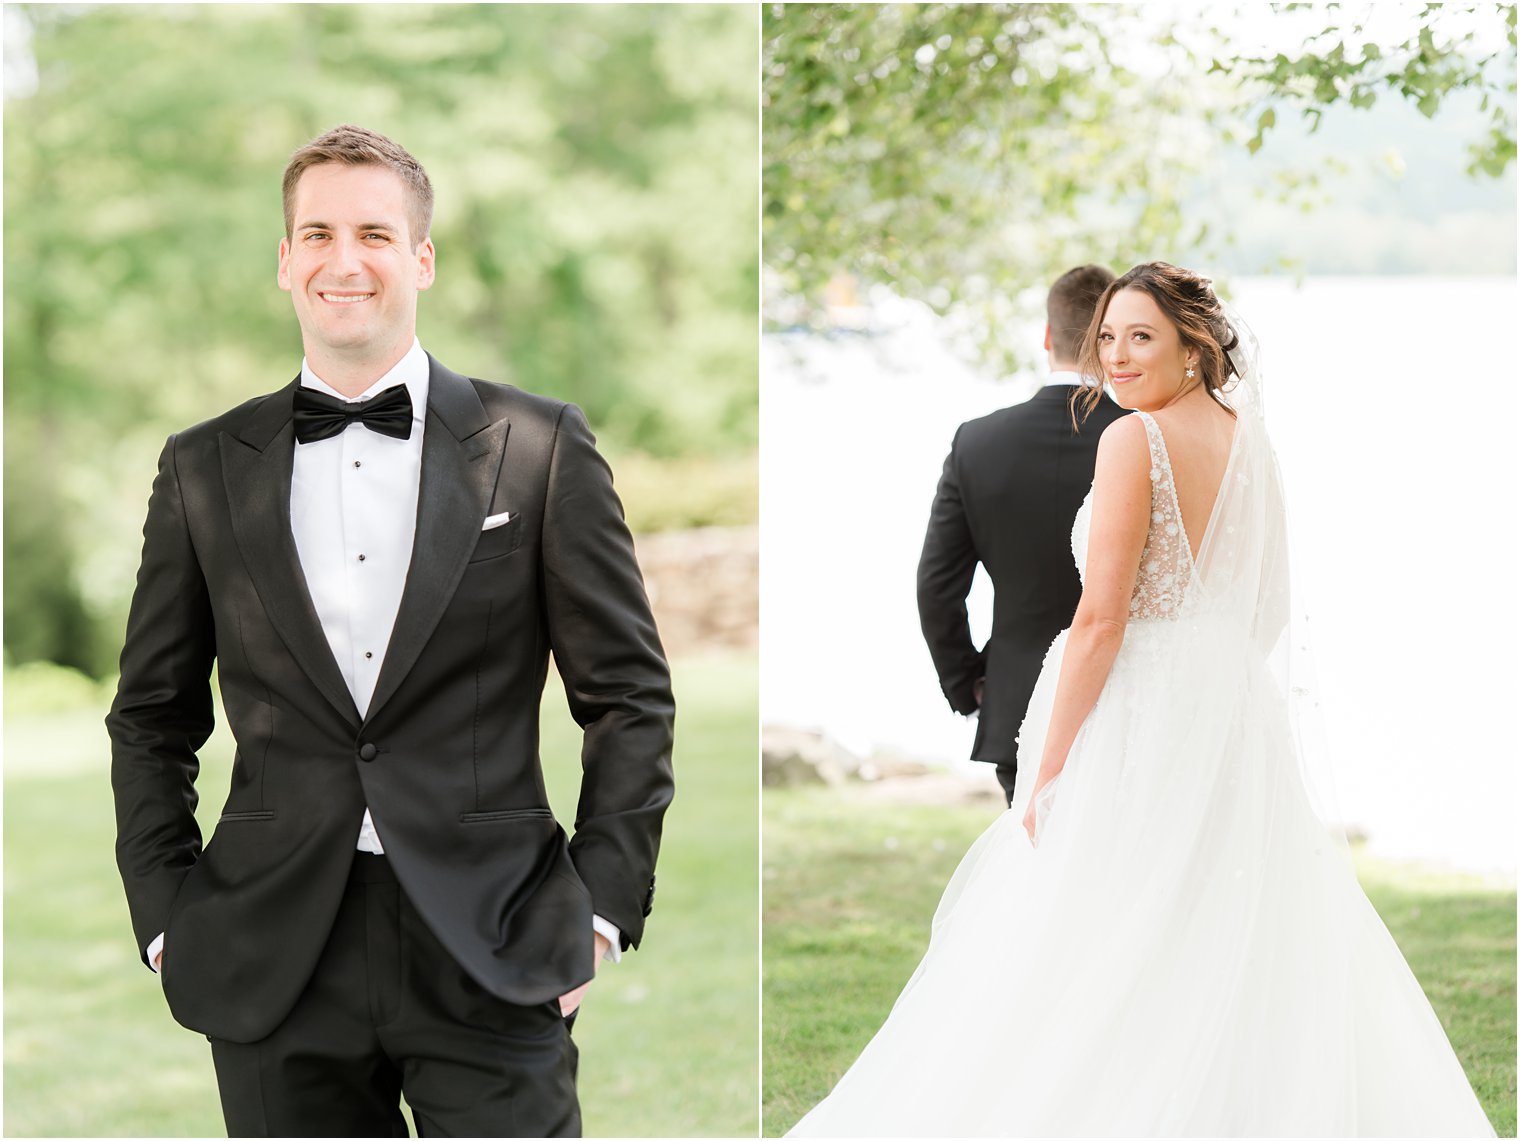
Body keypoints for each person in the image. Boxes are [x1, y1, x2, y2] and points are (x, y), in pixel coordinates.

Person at [788, 263, 1495, 1136]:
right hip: (1233, 708)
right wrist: (1215, 678)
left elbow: (1099, 620)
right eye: (1109, 338)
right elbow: (1265, 604)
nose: (1117, 358)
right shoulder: (1251, 440)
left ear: (1195, 345)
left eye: (1141, 337)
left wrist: (1048, 764)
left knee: (1100, 926)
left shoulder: (1134, 440)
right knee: (1221, 923)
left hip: (1140, 712)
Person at [107, 124, 675, 1137]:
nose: (343, 259)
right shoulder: (202, 467)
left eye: (374, 232)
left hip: (492, 936)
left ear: (419, 258)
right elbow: (151, 714)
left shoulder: (540, 446)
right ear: (284, 260)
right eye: (316, 232)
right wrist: (165, 920)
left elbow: (626, 696)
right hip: (274, 947)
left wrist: (597, 910)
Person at [917, 265, 1127, 806]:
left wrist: (970, 686)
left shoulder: (977, 442)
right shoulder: (1145, 437)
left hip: (1018, 703)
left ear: (1046, 337)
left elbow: (937, 587)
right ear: (1108, 342)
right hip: (1131, 697)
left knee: (1038, 876)